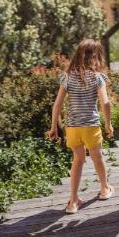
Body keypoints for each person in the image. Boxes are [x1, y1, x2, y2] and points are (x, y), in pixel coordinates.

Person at [48, 38, 114, 214]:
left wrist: (54, 127)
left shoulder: (67, 77)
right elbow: (106, 103)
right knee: (97, 158)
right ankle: (105, 189)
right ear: (96, 57)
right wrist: (108, 124)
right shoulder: (97, 77)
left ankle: (73, 201)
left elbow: (57, 104)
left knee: (77, 160)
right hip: (91, 126)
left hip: (72, 128)